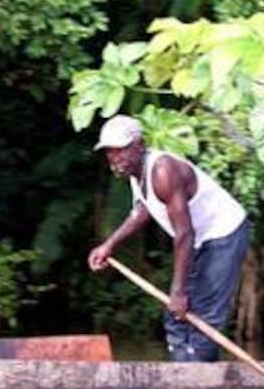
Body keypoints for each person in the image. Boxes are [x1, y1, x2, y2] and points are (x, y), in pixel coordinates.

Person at [87, 114, 251, 362]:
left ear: (139, 145)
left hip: (224, 234)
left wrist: (179, 292)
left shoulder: (163, 170)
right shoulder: (136, 173)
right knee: (176, 319)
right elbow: (144, 209)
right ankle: (184, 373)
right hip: (198, 241)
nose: (115, 157)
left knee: (203, 318)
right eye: (110, 151)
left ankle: (199, 377)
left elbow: (184, 234)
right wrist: (109, 245)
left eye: (121, 150)